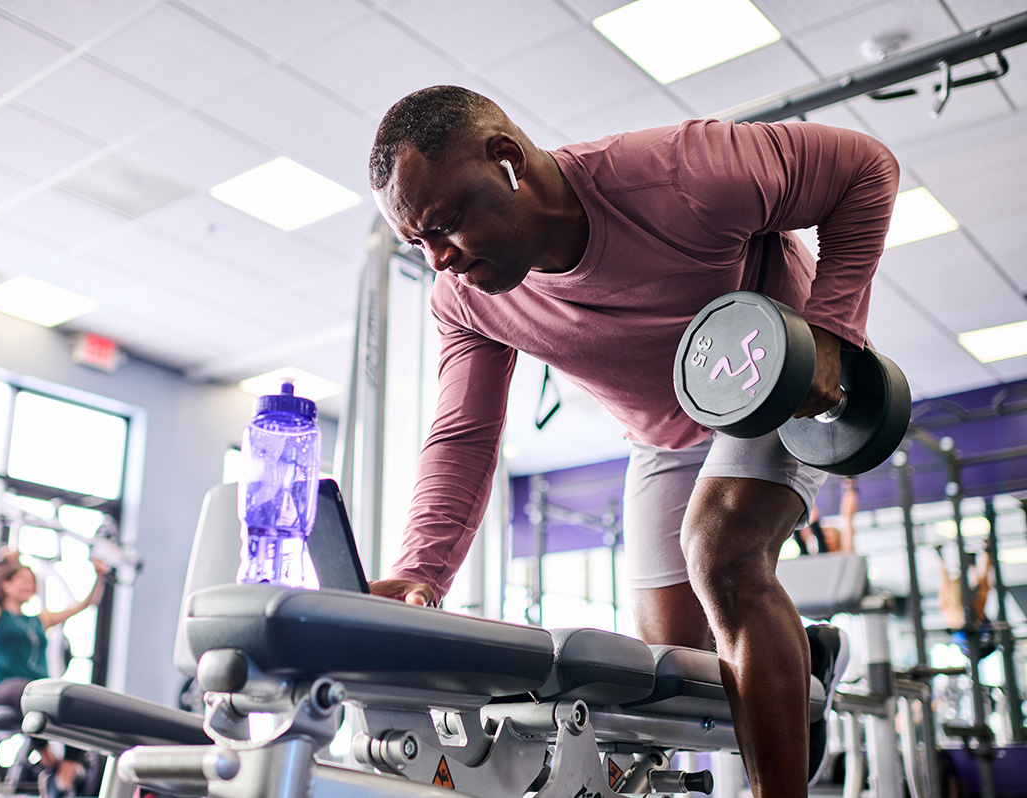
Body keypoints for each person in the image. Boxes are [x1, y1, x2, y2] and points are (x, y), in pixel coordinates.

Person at [366, 85, 899, 797]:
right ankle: (804, 672)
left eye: (447, 224)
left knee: (719, 551)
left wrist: (832, 333)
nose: (438, 259)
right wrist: (419, 574)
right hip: (661, 432)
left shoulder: (683, 175)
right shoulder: (465, 301)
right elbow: (463, 435)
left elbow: (865, 168)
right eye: (418, 242)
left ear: (505, 161)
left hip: (771, 375)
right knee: (672, 664)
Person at [0, 549, 108, 798]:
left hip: (32, 692)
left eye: (30, 581)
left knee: (74, 702)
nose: (28, 585)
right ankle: (48, 760)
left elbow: (85, 605)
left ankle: (62, 779)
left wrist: (99, 577)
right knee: (31, 692)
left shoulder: (39, 620)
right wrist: (6, 566)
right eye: (21, 579)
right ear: (5, 584)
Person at [936, 540, 997, 661]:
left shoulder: (964, 645)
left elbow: (955, 630)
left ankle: (943, 556)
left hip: (960, 614)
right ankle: (978, 558)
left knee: (949, 585)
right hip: (969, 615)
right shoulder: (980, 647)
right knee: (982, 587)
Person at [794, 477, 858, 555]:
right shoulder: (815, 551)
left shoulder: (844, 551)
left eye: (828, 532)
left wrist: (849, 487)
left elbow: (848, 519)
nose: (827, 536)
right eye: (825, 532)